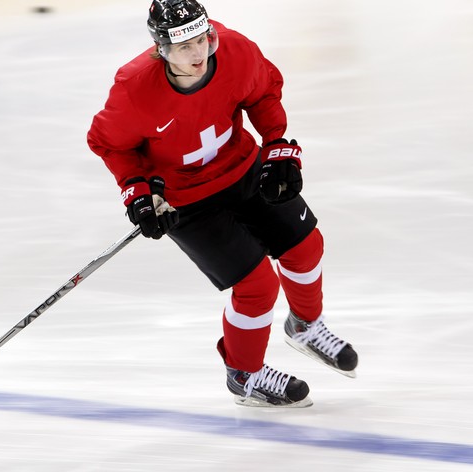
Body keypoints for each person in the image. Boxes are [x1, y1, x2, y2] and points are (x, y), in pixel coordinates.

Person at [87, 0, 358, 407]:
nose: (199, 55)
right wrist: (137, 192)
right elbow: (110, 144)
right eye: (185, 48)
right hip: (185, 200)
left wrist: (277, 143)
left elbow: (263, 92)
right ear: (160, 49)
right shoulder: (134, 89)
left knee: (306, 246)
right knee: (257, 286)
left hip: (242, 168)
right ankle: (244, 374)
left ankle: (305, 325)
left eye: (203, 39)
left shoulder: (234, 51)